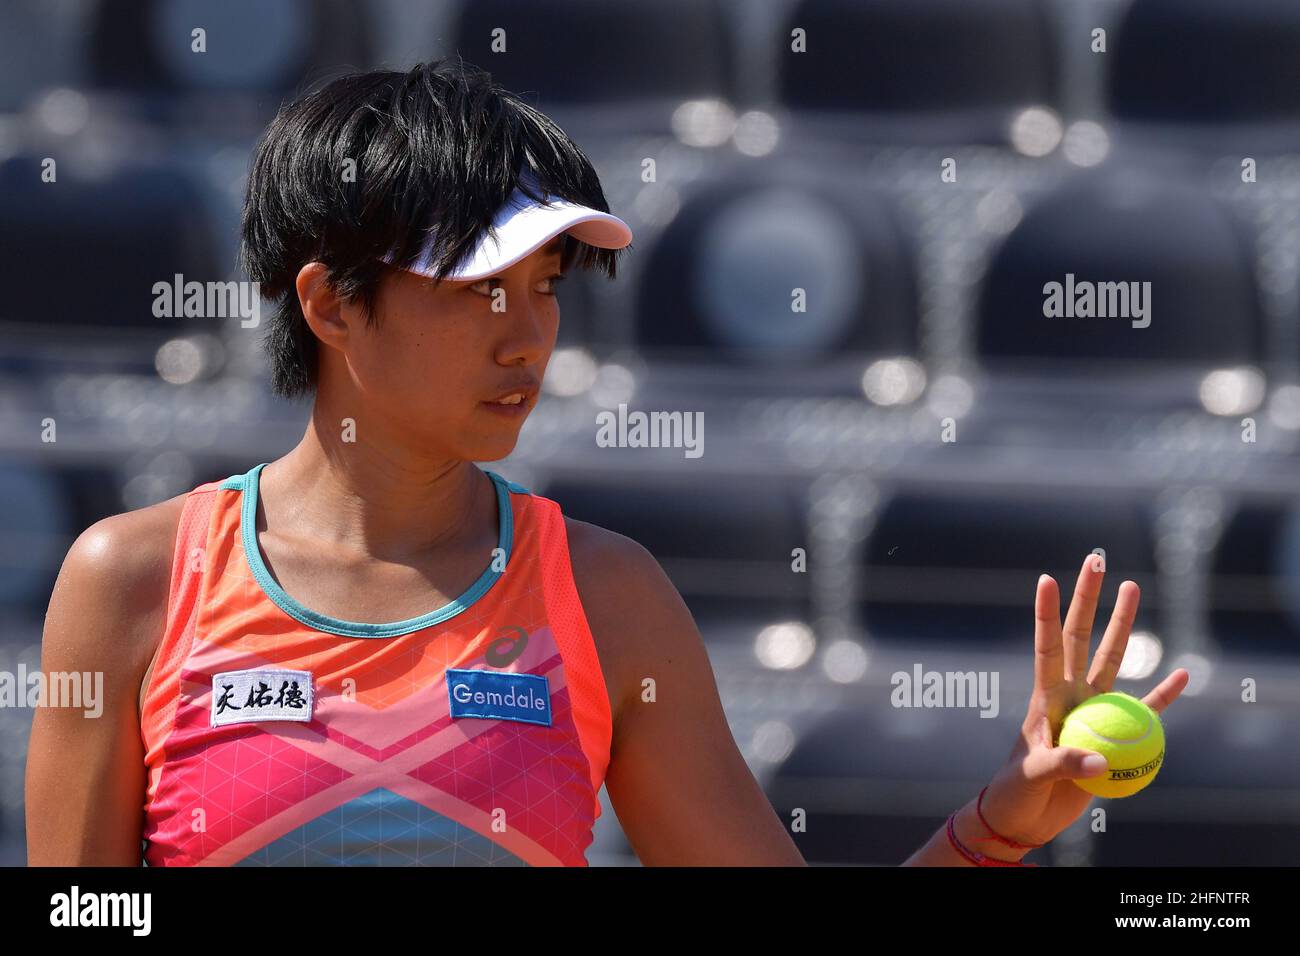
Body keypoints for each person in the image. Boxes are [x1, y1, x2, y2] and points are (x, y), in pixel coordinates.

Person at [25, 57, 1189, 866]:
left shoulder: (608, 596)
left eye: (544, 288)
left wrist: (1004, 817)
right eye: (481, 287)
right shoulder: (131, 580)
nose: (527, 334)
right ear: (331, 302)